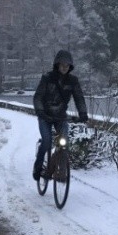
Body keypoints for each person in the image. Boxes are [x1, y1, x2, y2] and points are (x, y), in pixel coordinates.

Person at [32, 49, 89, 181]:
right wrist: (40, 111)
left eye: (67, 65)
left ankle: (61, 173)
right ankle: (38, 165)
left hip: (60, 117)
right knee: (46, 142)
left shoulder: (73, 81)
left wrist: (83, 113)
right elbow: (38, 97)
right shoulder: (47, 78)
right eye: (62, 64)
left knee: (64, 144)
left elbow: (79, 98)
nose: (64, 67)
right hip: (45, 116)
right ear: (57, 64)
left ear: (70, 66)